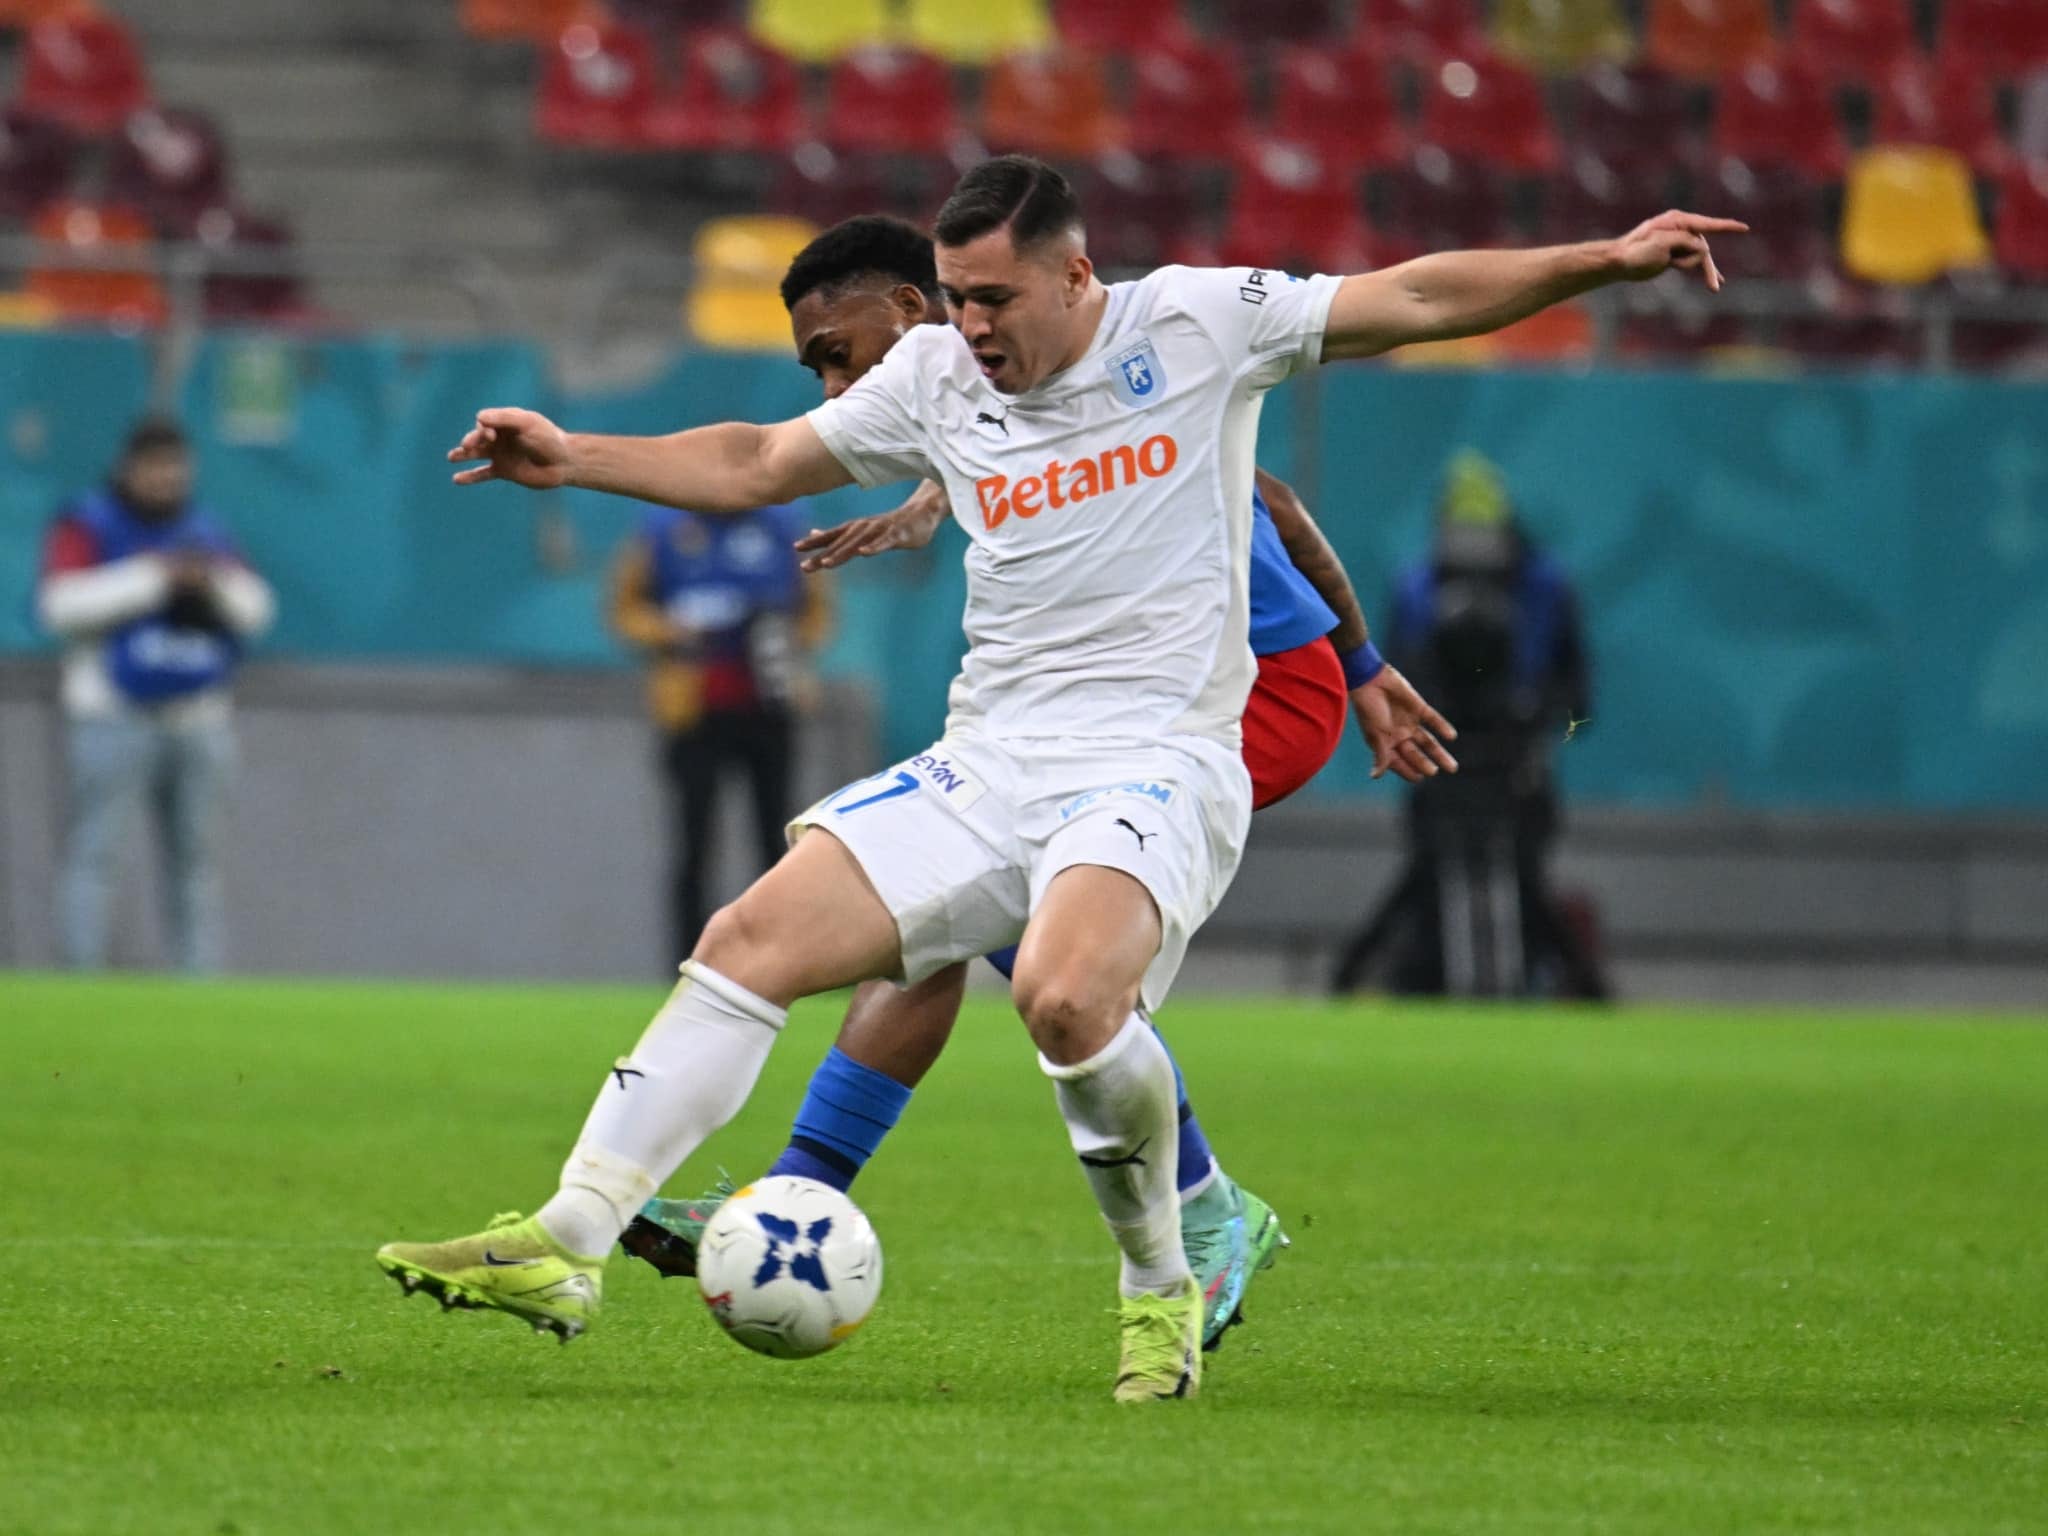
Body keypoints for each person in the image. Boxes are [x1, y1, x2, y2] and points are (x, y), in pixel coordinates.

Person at [379, 155, 1740, 1402]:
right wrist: (574, 458)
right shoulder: (933, 381)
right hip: (991, 759)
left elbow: (1420, 293)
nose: (970, 330)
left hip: (1160, 756)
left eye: (992, 299)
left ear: (1077, 277)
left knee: (1063, 994)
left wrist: (1603, 262)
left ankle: (1162, 1285)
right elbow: (752, 460)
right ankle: (568, 1241)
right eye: (956, 301)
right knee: (747, 941)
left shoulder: (1201, 323)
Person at [614, 214, 1459, 1357]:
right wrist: (927, 497)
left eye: (836, 353)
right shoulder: (979, 409)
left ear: (924, 313)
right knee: (945, 915)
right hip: (1126, 715)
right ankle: (795, 1192)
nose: (830, 382)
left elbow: (1278, 507)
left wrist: (1358, 668)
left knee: (1008, 909)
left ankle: (1206, 1209)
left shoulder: (1116, 373)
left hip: (1255, 696)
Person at [1331, 452, 1609, 999]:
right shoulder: (1417, 587)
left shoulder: (1546, 586)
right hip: (1444, 758)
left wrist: (1542, 718)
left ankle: (1568, 984)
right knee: (1430, 872)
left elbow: (1579, 696)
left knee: (1523, 878)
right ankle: (1406, 979)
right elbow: (1396, 678)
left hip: (1518, 763)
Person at [35, 417, 275, 975]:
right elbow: (58, 606)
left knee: (196, 862)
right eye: (156, 468)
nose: (168, 480)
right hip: (112, 714)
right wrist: (152, 579)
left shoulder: (205, 532)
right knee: (95, 853)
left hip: (197, 718)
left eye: (177, 470)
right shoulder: (89, 523)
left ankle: (196, 985)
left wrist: (205, 581)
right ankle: (80, 980)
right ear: (130, 468)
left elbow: (258, 609)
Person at [608, 499, 831, 963]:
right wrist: (670, 630)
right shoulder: (665, 530)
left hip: (769, 706)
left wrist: (781, 643)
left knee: (777, 839)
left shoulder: (784, 529)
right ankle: (688, 963)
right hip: (693, 709)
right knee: (694, 842)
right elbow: (625, 610)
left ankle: (781, 959)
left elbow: (818, 611)